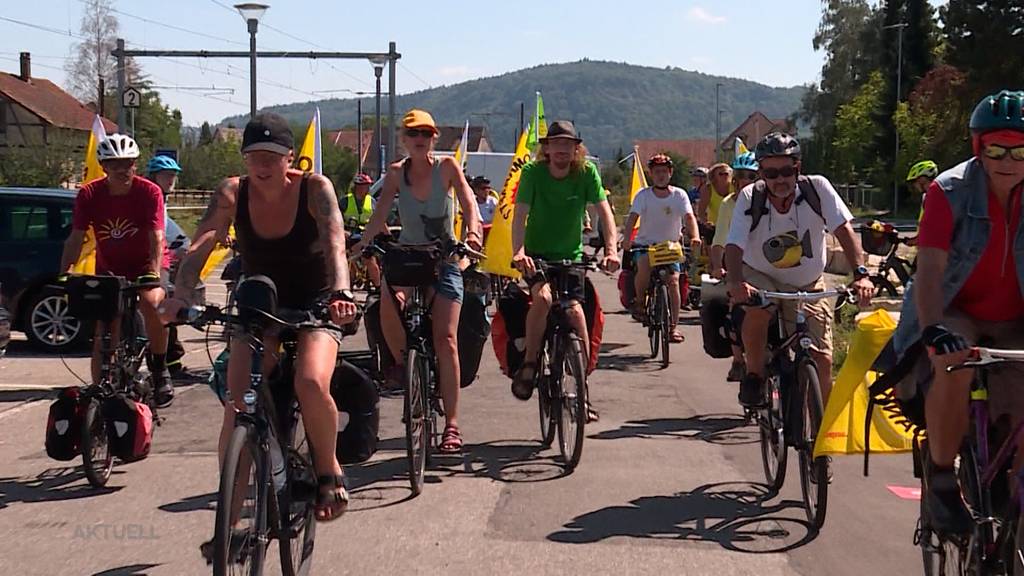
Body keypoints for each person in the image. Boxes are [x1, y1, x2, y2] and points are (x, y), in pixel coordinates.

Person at [161, 112, 359, 525]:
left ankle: (328, 470)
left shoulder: (314, 188)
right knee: (238, 404)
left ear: (290, 157)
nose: (263, 165)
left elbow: (335, 241)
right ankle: (228, 526)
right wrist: (180, 293)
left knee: (309, 380)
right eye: (255, 156)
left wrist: (341, 293)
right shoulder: (233, 193)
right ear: (245, 160)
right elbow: (203, 241)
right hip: (260, 306)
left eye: (272, 156)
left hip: (316, 301)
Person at [890, 90, 1024, 536]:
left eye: (1020, 149)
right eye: (997, 148)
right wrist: (933, 330)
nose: (1008, 159)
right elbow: (929, 272)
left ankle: (1013, 486)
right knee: (955, 359)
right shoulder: (948, 191)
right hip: (957, 309)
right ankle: (943, 476)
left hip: (1015, 317)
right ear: (978, 148)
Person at [358, 109, 483, 455]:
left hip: (444, 260)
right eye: (413, 133)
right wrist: (357, 246)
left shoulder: (447, 168)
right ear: (403, 139)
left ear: (434, 139)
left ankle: (453, 425)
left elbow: (469, 201)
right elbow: (380, 214)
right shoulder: (397, 173)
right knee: (385, 294)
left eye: (426, 134)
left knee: (446, 338)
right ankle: (404, 363)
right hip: (409, 257)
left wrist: (472, 231)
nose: (419, 139)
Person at [725, 132, 873, 410]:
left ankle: (821, 435)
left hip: (808, 283)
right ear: (761, 173)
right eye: (770, 172)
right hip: (761, 275)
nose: (779, 179)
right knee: (757, 309)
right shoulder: (750, 196)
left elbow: (844, 230)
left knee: (823, 358)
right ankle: (754, 375)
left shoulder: (817, 189)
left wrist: (861, 273)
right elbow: (734, 245)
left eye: (786, 171)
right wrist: (735, 282)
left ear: (798, 169)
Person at [510, 120, 620, 421]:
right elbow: (520, 214)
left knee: (576, 312)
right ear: (546, 148)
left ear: (576, 149)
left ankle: (581, 389)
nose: (560, 149)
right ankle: (531, 361)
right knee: (543, 299)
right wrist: (518, 251)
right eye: (555, 144)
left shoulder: (586, 173)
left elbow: (605, 213)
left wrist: (611, 249)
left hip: (570, 257)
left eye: (567, 144)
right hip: (536, 255)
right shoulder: (533, 173)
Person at [59, 134, 175, 408]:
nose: (122, 169)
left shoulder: (149, 191)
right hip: (110, 268)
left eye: (128, 163)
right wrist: (64, 273)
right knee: (104, 324)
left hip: (149, 263)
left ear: (135, 164)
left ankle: (160, 369)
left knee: (152, 304)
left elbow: (156, 236)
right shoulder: (89, 194)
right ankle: (99, 389)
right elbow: (76, 237)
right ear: (103, 166)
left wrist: (153, 272)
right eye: (114, 164)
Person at [620, 153, 700, 343]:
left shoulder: (679, 195)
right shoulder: (644, 195)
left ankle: (673, 327)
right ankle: (640, 302)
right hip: (645, 245)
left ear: (670, 173)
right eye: (657, 172)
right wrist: (626, 238)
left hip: (670, 248)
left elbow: (689, 217)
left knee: (673, 282)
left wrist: (695, 236)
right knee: (644, 264)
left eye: (664, 171)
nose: (661, 175)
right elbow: (633, 217)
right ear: (651, 174)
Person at [708, 151, 760, 382]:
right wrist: (718, 267)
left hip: (768, 267)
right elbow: (720, 240)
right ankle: (738, 359)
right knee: (735, 310)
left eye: (751, 176)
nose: (745, 181)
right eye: (741, 176)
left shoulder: (769, 200)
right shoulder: (729, 205)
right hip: (739, 266)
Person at [145, 155, 189, 377]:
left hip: (160, 258)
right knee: (164, 308)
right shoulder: (150, 196)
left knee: (165, 308)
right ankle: (164, 366)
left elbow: (165, 232)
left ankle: (169, 362)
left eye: (173, 176)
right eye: (166, 175)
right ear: (154, 176)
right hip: (149, 261)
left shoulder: (161, 198)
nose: (171, 180)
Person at [343, 173, 381, 288]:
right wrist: (342, 231)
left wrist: (388, 234)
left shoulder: (372, 201)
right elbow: (336, 218)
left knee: (370, 260)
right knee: (348, 258)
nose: (367, 188)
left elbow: (379, 218)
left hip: (367, 234)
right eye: (365, 186)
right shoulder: (345, 201)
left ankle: (378, 288)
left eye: (368, 186)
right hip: (350, 233)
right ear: (358, 187)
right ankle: (347, 285)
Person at [906, 160, 939, 246]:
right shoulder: (928, 196)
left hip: (934, 249)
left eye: (914, 181)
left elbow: (932, 227)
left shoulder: (935, 197)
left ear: (922, 179)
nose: (914, 185)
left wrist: (914, 241)